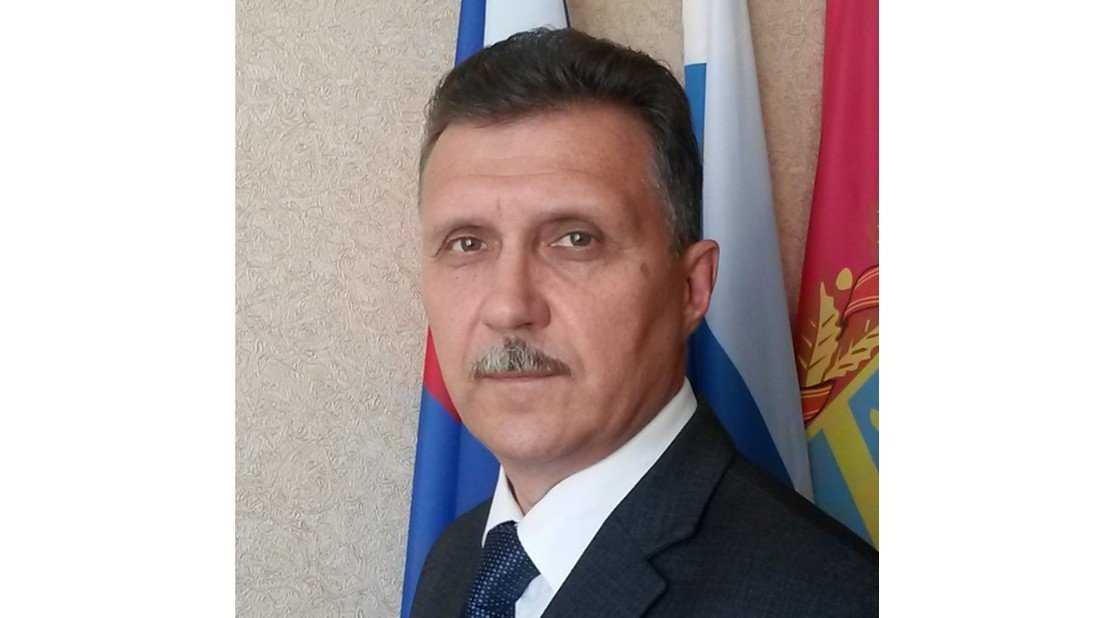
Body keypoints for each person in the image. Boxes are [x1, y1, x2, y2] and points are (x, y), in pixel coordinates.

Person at [411, 28, 877, 618]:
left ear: (691, 289)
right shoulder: (456, 562)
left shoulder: (831, 600)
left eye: (576, 240)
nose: (509, 307)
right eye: (467, 243)